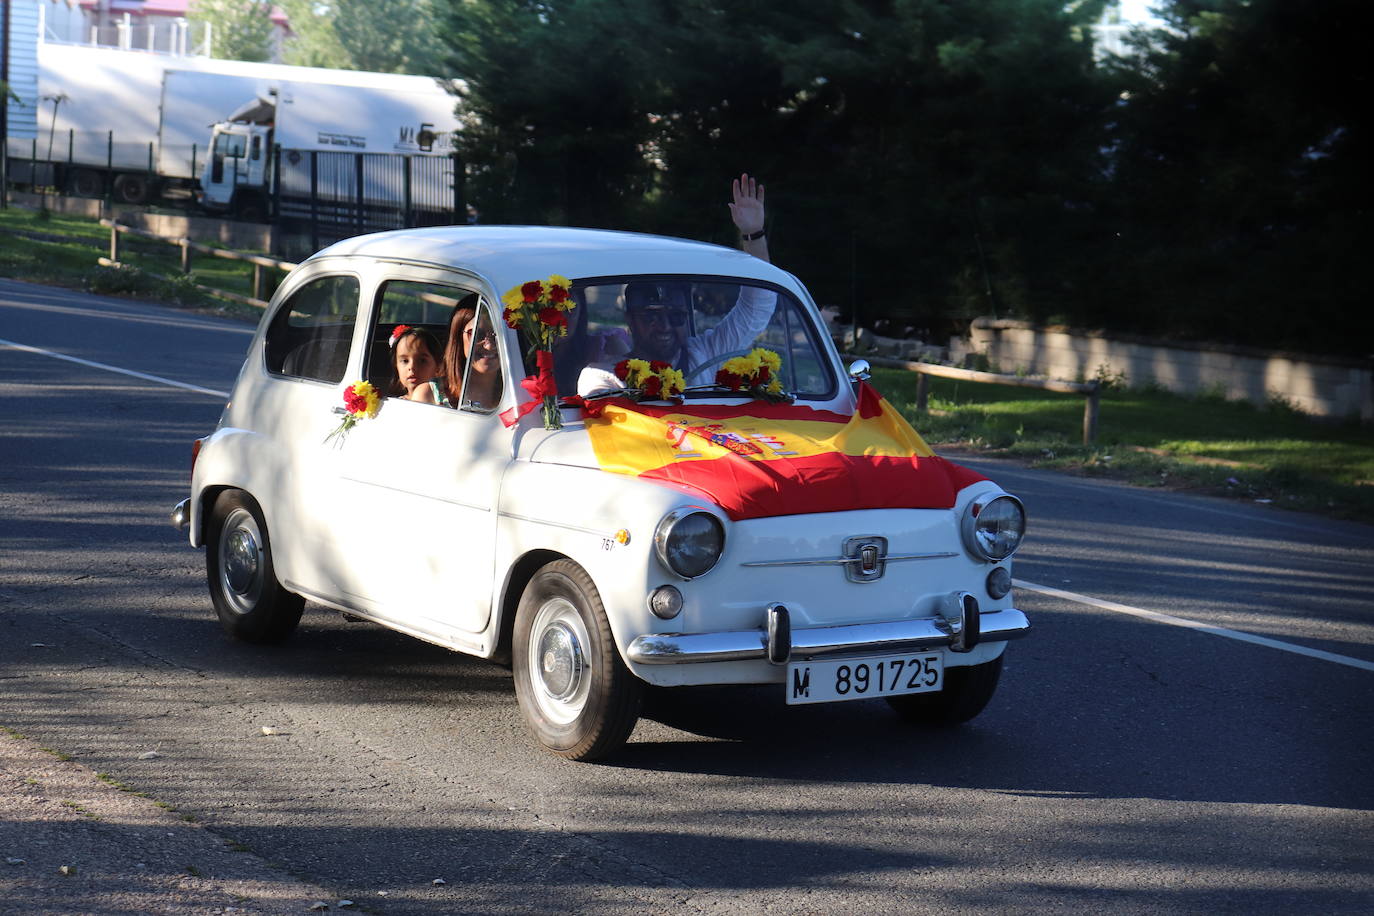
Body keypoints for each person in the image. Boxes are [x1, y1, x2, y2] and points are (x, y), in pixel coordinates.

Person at [578, 173, 778, 394]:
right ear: (630, 320)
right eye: (651, 316)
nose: (665, 326)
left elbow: (759, 304)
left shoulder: (705, 354)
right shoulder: (604, 375)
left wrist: (753, 234)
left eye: (676, 316)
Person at [414, 303, 503, 410]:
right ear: (459, 338)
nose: (489, 346)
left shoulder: (521, 391)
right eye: (477, 334)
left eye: (498, 334)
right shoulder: (428, 396)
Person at [388, 325, 444, 401]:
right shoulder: (395, 405)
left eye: (422, 361)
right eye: (405, 361)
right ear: (396, 365)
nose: (411, 366)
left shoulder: (445, 402)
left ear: (438, 366)